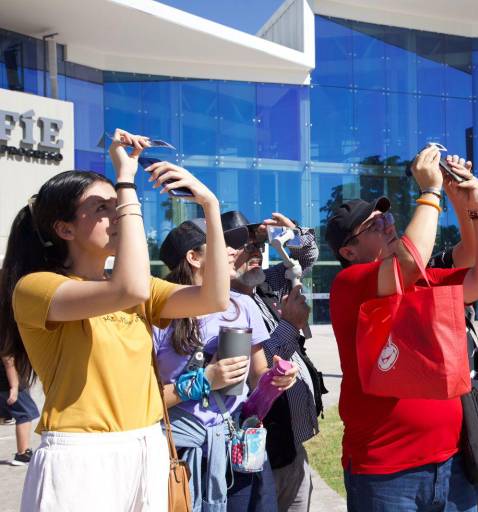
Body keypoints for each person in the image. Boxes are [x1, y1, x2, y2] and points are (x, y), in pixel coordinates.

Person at [0, 129, 231, 511]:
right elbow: (129, 290)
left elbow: (214, 297)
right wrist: (125, 181)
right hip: (81, 456)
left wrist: (209, 205)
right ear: (65, 229)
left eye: (119, 204)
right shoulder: (37, 287)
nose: (120, 214)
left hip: (147, 445)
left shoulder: (131, 285)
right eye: (103, 208)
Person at [325, 145, 478, 511]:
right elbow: (409, 262)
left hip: (452, 462)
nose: (388, 223)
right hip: (386, 473)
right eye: (374, 225)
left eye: (387, 218)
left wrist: (474, 204)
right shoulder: (350, 283)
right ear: (349, 251)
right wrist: (430, 192)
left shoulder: (419, 280)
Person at [153, 218, 298, 512]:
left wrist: (276, 379)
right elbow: (142, 403)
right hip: (176, 451)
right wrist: (204, 381)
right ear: (193, 258)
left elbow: (257, 377)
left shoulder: (241, 306)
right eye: (223, 245)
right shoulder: (157, 314)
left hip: (233, 449)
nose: (234, 251)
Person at [223, 211, 322, 512]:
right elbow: (245, 377)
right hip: (254, 461)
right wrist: (290, 326)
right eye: (244, 246)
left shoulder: (263, 287)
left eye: (258, 245)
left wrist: (293, 233)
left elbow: (305, 257)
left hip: (290, 452)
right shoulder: (222, 309)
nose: (255, 251)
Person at [429, 155, 478, 512]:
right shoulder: (391, 282)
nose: (390, 227)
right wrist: (433, 193)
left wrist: (466, 199)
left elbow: (474, 255)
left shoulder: (432, 269)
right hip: (442, 424)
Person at [1, 355, 39, 465]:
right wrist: (14, 386)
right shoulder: (7, 338)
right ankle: (23, 454)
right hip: (9, 382)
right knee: (25, 414)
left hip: (4, 382)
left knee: (5, 415)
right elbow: (8, 360)